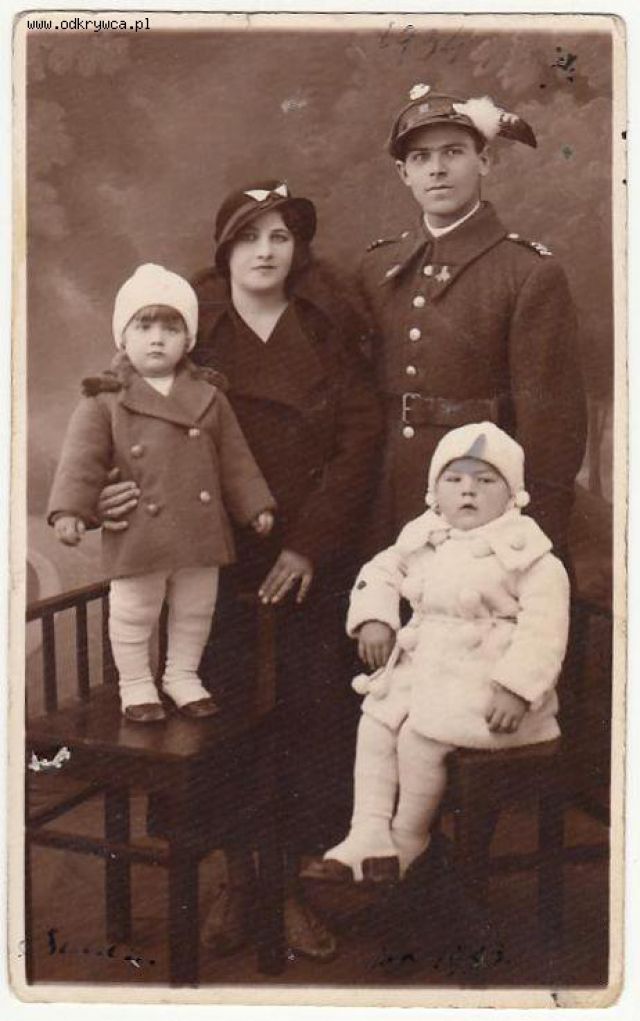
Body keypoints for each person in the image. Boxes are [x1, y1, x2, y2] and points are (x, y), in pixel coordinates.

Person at [97, 184, 382, 958]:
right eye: (249, 236)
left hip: (311, 560)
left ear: (298, 248)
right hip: (208, 558)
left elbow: (360, 443)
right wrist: (110, 491)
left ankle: (290, 887)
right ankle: (234, 879)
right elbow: (119, 420)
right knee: (215, 717)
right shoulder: (185, 327)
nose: (265, 250)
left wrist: (309, 545)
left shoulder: (328, 327)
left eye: (280, 236)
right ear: (223, 250)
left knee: (309, 718)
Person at [303, 422, 570, 884]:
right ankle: (367, 831)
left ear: (512, 495)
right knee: (376, 721)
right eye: (454, 479)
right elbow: (380, 570)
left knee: (419, 737)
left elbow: (544, 629)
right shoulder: (426, 535)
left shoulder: (528, 554)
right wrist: (375, 617)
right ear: (435, 492)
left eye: (485, 481)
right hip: (427, 664)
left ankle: (409, 838)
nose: (468, 490)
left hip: (487, 684)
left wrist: (516, 688)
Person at [359, 85, 587, 556]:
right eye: (421, 158)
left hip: (485, 507)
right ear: (404, 173)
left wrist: (528, 540)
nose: (437, 169)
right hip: (386, 498)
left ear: (484, 161)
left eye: (453, 152)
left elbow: (551, 430)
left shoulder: (527, 272)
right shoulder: (376, 267)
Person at [47, 263, 275, 722]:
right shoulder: (104, 399)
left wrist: (255, 505)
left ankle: (181, 675)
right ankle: (135, 684)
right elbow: (81, 462)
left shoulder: (209, 395)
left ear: (187, 339)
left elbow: (235, 459)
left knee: (195, 609)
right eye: (144, 326)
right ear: (123, 337)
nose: (157, 339)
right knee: (135, 611)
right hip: (140, 530)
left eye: (171, 328)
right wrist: (70, 511)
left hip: (198, 531)